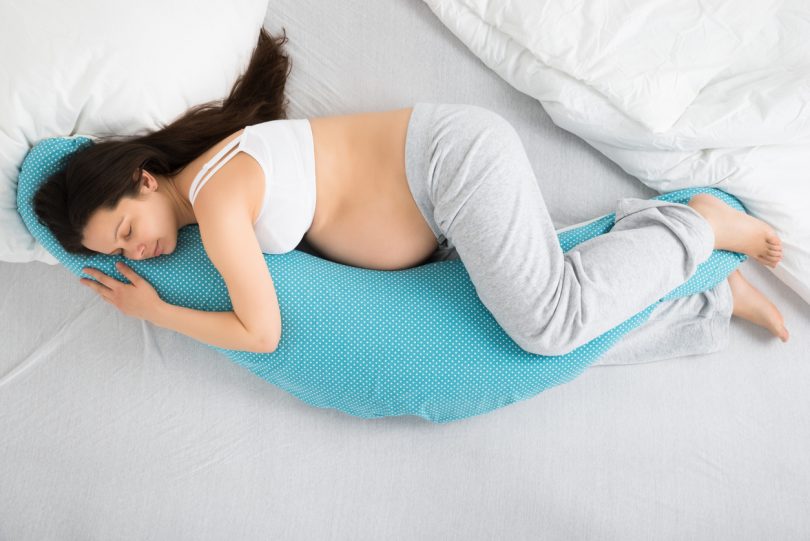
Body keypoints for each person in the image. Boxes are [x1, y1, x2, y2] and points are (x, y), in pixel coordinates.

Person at [33, 27, 789, 360]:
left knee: (549, 326)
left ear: (142, 176)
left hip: (449, 170)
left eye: (126, 229)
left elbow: (260, 333)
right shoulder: (208, 184)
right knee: (531, 349)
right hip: (442, 215)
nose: (140, 252)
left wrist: (156, 310)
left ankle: (698, 227)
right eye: (122, 252)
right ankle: (706, 290)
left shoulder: (220, 199)